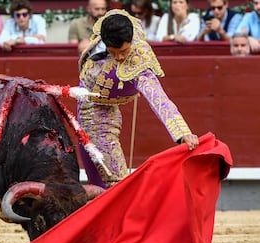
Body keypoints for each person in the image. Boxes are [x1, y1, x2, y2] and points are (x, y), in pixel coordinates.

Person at [78, 9, 199, 188]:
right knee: (105, 178)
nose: (119, 57)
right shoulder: (106, 32)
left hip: (103, 115)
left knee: (114, 181)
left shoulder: (138, 60)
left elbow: (157, 97)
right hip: (90, 112)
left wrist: (182, 133)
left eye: (124, 51)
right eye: (114, 52)